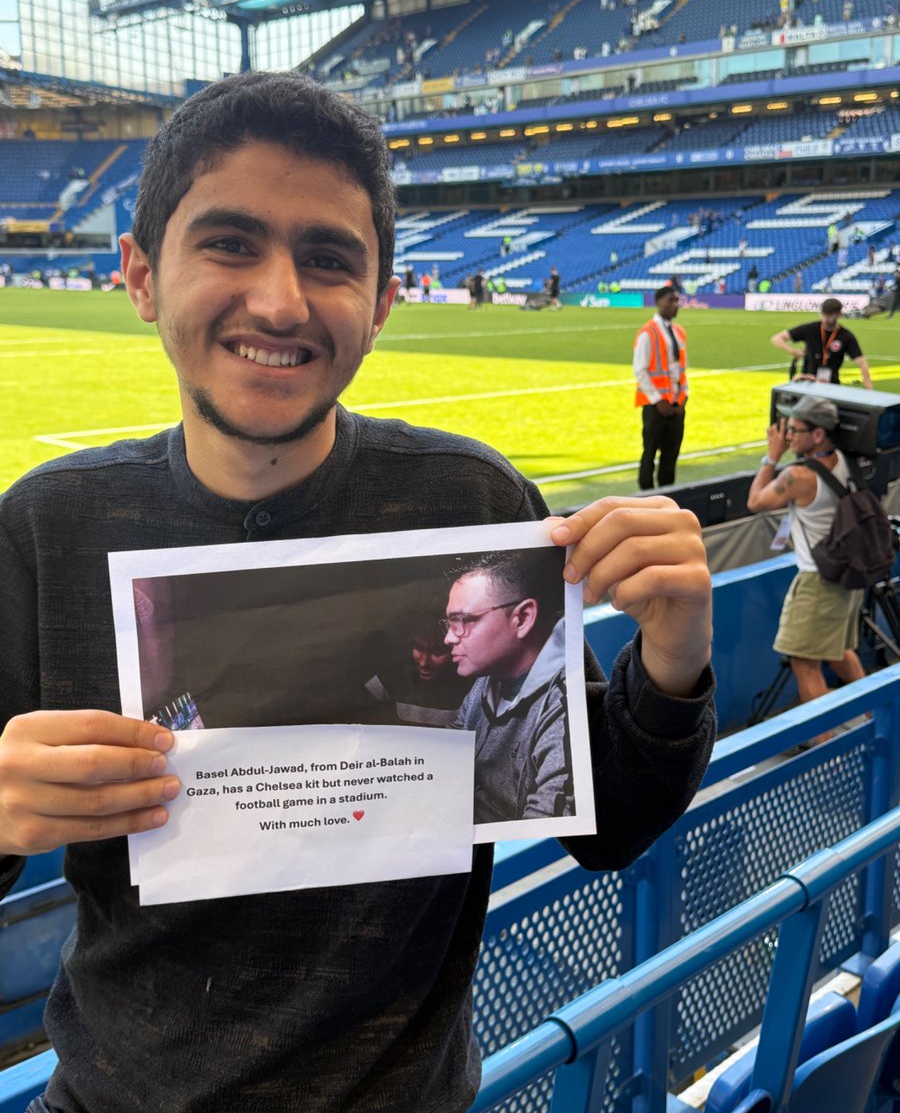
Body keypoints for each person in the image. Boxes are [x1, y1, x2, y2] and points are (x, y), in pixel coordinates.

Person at [0, 72, 715, 1113]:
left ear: (381, 301)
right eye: (230, 243)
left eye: (328, 259)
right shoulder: (45, 528)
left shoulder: (473, 499)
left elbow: (601, 822)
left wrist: (675, 658)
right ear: (142, 276)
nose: (281, 301)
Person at [746, 395, 866, 704]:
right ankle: (878, 722)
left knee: (803, 662)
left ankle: (823, 744)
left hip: (818, 581)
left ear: (818, 434)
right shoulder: (844, 459)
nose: (787, 437)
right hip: (847, 574)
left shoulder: (799, 476)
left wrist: (771, 458)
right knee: (839, 652)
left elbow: (755, 502)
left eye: (795, 430)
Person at [445, 551, 569, 823]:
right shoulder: (482, 686)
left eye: (463, 621)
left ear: (523, 618)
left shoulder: (563, 711)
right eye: (449, 623)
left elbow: (544, 829)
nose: (448, 638)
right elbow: (446, 757)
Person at [634, 285, 688, 490]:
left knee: (671, 454)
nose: (675, 305)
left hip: (676, 405)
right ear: (658, 303)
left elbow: (681, 368)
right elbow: (640, 370)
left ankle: (667, 494)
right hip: (655, 407)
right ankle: (646, 495)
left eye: (677, 301)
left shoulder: (679, 332)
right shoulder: (647, 333)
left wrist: (684, 397)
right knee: (649, 453)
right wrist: (658, 400)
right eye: (670, 301)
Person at [770, 298, 872, 388]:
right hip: (807, 383)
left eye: (830, 315)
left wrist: (869, 391)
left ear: (839, 315)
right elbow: (777, 338)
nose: (826, 318)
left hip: (832, 384)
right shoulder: (810, 329)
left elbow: (862, 363)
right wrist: (792, 351)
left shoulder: (845, 336)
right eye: (824, 314)